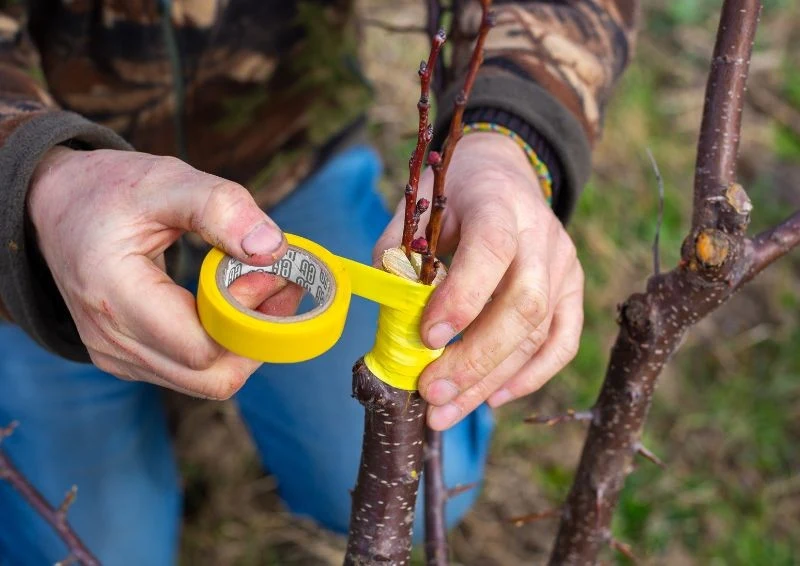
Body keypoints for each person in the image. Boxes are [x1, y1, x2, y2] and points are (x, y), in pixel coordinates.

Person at [0, 1, 636, 563]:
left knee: (405, 497)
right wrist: (32, 178)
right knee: (95, 553)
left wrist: (511, 138)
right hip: (39, 211)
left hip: (290, 157)